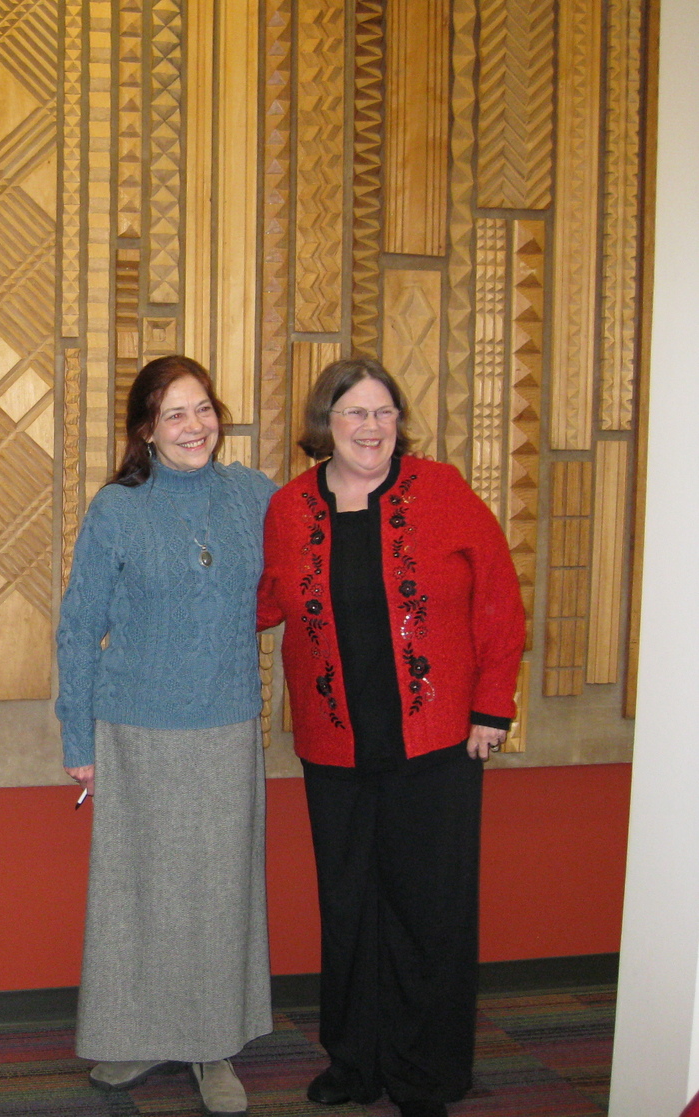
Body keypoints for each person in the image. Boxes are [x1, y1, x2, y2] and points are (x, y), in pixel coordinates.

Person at [257, 357, 525, 1117]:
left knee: (426, 911)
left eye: (383, 412)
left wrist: (491, 708)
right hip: (334, 743)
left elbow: (498, 598)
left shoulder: (442, 491)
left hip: (436, 741)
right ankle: (354, 1062)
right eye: (354, 413)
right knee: (349, 907)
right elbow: (264, 600)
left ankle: (426, 1072)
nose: (371, 427)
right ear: (325, 425)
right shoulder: (288, 508)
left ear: (398, 423)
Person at [56, 355, 277, 1116]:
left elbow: (317, 550)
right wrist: (76, 738)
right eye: (175, 414)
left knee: (219, 892)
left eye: (204, 408)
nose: (196, 426)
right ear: (147, 429)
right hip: (135, 727)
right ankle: (142, 1030)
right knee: (139, 892)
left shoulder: (253, 495)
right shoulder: (117, 509)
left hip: (224, 722)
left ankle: (211, 1045)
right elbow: (79, 627)